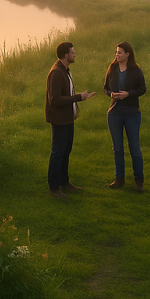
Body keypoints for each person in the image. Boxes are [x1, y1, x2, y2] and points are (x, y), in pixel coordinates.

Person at [45, 40, 96, 200]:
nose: (75, 55)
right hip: (59, 120)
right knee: (58, 153)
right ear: (66, 55)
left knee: (66, 152)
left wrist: (78, 97)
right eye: (73, 53)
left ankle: (64, 182)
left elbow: (65, 95)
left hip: (67, 119)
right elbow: (55, 99)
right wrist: (78, 98)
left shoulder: (64, 70)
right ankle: (54, 187)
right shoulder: (56, 72)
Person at [103, 41, 146, 192]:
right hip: (114, 112)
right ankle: (119, 178)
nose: (117, 55)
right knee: (118, 148)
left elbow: (142, 89)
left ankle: (139, 180)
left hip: (132, 113)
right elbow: (105, 88)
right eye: (116, 52)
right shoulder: (112, 68)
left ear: (127, 54)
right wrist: (111, 94)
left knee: (134, 148)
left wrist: (128, 94)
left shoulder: (135, 70)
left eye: (120, 52)